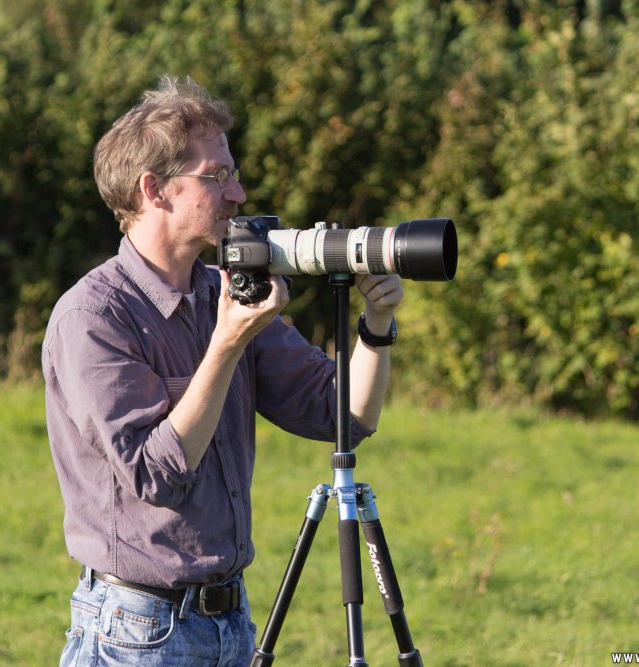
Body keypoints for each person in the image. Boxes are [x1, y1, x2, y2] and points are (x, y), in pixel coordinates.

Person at [42, 74, 403, 667]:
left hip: (231, 622)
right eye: (217, 177)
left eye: (231, 173)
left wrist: (377, 326)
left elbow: (345, 415)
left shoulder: (222, 294)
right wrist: (227, 343)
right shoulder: (94, 317)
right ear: (155, 190)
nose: (238, 195)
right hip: (138, 633)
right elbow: (155, 474)